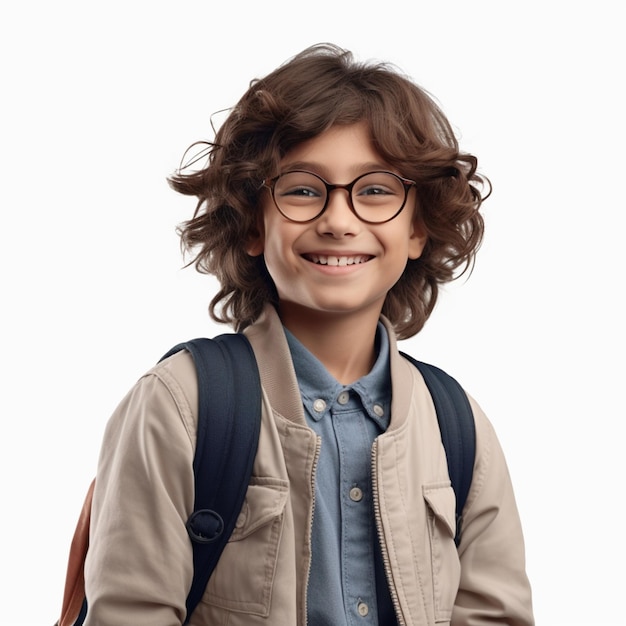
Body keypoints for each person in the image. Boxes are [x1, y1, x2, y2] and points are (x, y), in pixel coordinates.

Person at [82, 43, 534, 625]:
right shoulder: (180, 405)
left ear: (418, 228)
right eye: (301, 189)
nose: (339, 220)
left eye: (375, 190)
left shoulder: (457, 424)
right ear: (251, 223)